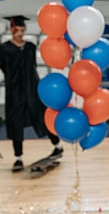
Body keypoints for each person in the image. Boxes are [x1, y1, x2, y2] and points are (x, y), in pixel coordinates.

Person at [0, 15, 63, 172]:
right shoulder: (4, 49)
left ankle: (57, 145)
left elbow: (33, 67)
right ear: (11, 30)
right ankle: (18, 158)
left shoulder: (30, 47)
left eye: (22, 30)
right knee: (15, 122)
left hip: (31, 88)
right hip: (14, 91)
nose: (20, 33)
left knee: (41, 116)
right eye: (17, 30)